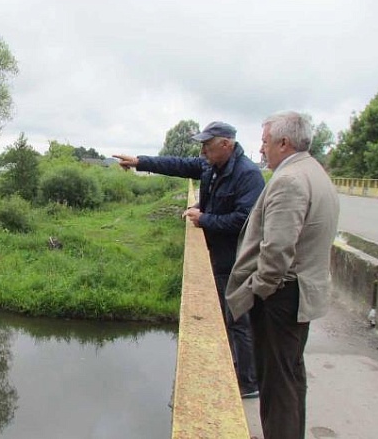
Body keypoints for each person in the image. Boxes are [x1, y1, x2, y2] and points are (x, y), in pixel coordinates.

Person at [114, 121, 264, 398]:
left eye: (208, 144)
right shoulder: (211, 165)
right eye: (202, 145)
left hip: (236, 260)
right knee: (228, 315)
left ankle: (249, 382)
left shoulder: (248, 175)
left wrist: (204, 218)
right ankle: (238, 368)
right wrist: (139, 162)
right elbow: (178, 165)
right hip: (218, 255)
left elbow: (246, 220)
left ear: (226, 145)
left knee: (238, 318)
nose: (203, 150)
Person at [226, 111, 340, 439]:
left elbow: (276, 251)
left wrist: (258, 291)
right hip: (299, 293)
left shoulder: (290, 180)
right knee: (289, 378)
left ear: (283, 143)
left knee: (276, 385)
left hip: (281, 297)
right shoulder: (314, 171)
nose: (261, 150)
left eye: (265, 142)